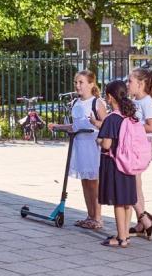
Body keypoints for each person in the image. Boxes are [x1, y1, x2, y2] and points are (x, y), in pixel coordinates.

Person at [48, 70, 106, 229]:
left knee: (94, 182)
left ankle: (98, 218)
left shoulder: (97, 103)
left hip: (92, 145)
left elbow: (107, 125)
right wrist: (58, 126)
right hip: (79, 144)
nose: (77, 85)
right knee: (85, 182)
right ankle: (90, 216)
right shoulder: (75, 103)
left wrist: (96, 125)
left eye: (81, 82)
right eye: (76, 82)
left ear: (91, 84)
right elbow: (75, 125)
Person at [97, 80, 139, 248]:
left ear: (109, 97)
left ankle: (121, 238)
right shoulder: (129, 116)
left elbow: (106, 144)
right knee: (127, 201)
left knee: (118, 202)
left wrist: (98, 140)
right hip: (129, 163)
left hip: (115, 164)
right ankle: (126, 234)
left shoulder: (111, 119)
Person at [127, 67, 152, 239]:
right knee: (136, 185)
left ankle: (145, 220)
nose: (127, 84)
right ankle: (141, 224)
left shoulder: (148, 103)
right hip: (133, 146)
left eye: (130, 81)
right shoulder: (135, 101)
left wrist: (132, 127)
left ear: (141, 84)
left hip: (141, 148)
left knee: (130, 184)